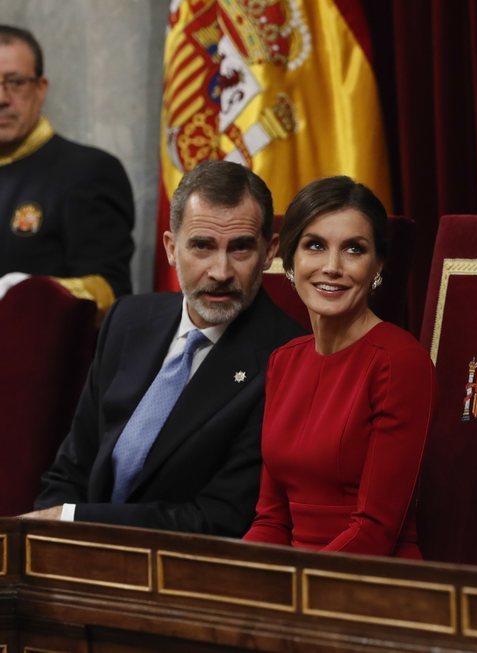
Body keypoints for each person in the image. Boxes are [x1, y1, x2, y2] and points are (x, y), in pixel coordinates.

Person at [29, 160, 304, 536]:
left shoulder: (287, 358)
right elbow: (71, 468)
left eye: (240, 248)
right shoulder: (128, 321)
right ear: (172, 248)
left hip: (187, 575)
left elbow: (218, 518)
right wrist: (51, 542)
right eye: (202, 247)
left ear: (269, 251)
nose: (220, 271)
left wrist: (71, 521)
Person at [242, 176, 437, 557]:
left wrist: (293, 592)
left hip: (368, 579)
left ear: (378, 264)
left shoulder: (400, 361)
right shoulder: (284, 361)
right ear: (290, 260)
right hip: (295, 582)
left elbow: (375, 531)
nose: (332, 266)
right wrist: (233, 575)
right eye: (315, 245)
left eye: (353, 249)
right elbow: (271, 520)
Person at [0, 25, 134, 311]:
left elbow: (111, 291)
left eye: (15, 82)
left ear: (40, 89)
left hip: (36, 352)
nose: (2, 98)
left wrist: (30, 292)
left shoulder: (88, 171)